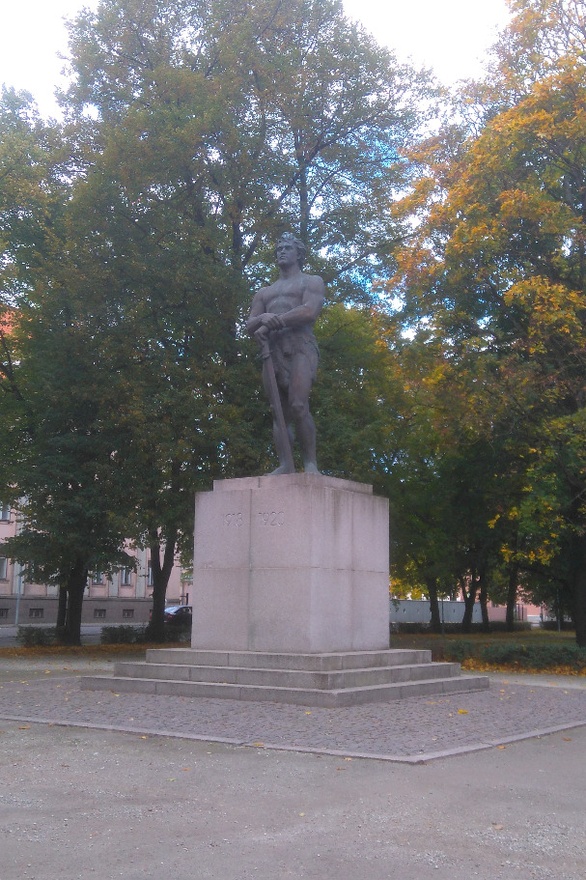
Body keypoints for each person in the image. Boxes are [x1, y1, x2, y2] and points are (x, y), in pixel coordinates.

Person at [247, 232, 325, 474]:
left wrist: (274, 321)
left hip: (300, 346)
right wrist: (262, 317)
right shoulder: (264, 292)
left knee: (299, 405)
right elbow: (250, 324)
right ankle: (285, 464)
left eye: (287, 247)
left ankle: (310, 463)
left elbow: (309, 311)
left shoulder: (311, 281)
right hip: (273, 350)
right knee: (277, 411)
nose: (281, 251)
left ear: (298, 254)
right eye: (279, 247)